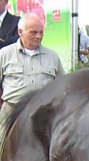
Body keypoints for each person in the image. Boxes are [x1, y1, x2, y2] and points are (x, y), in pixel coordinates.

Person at [0, 13, 64, 141]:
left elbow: (62, 86)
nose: (38, 36)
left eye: (41, 32)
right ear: (20, 32)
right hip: (12, 113)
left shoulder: (52, 57)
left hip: (44, 115)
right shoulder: (4, 54)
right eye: (33, 32)